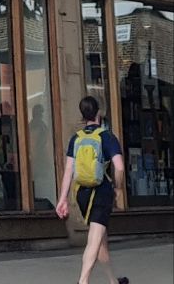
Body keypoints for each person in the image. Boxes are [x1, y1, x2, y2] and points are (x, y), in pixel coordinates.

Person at [56, 94, 130, 284]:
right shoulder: (107, 137)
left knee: (100, 240)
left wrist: (62, 199)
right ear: (99, 113)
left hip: (82, 193)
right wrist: (118, 187)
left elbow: (68, 171)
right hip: (101, 192)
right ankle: (83, 280)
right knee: (94, 240)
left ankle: (113, 281)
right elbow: (119, 167)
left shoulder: (76, 139)